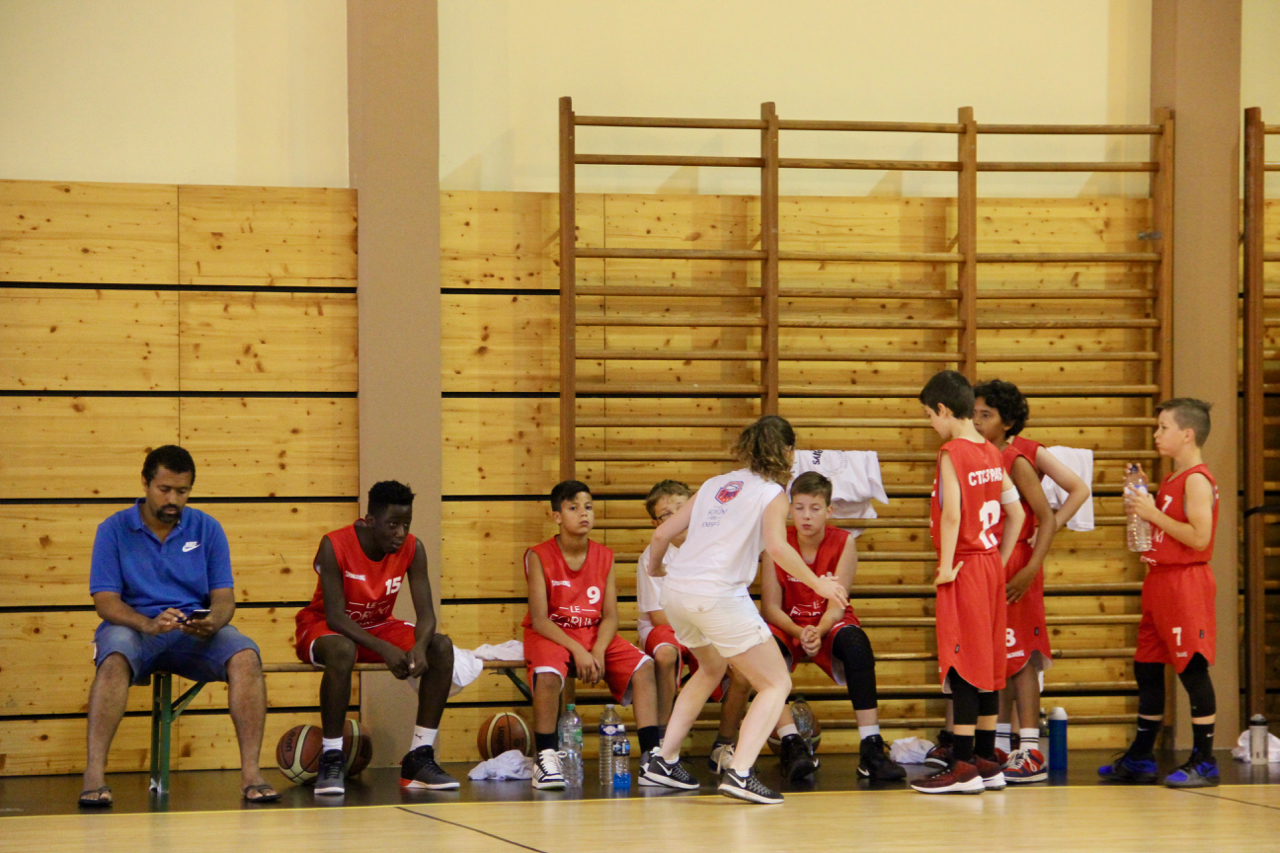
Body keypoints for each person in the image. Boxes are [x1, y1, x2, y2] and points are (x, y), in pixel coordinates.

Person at [644, 416, 849, 804]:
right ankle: (739, 772)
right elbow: (778, 547)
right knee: (776, 683)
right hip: (717, 595)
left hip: (677, 592)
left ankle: (663, 760)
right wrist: (818, 583)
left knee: (710, 668)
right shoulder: (772, 493)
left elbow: (661, 534)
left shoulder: (714, 484)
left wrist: (655, 568)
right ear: (786, 451)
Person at [81, 445, 278, 807]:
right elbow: (105, 602)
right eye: (165, 489)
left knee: (246, 655)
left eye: (182, 491)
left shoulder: (208, 528)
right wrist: (147, 623)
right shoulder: (113, 529)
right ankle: (94, 775)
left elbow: (224, 598)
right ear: (145, 483)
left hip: (191, 631)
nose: (173, 499)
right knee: (114, 656)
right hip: (136, 628)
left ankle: (251, 774)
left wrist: (214, 620)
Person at [294, 480, 457, 795]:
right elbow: (335, 617)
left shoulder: (414, 548)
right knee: (343, 650)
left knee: (441, 647)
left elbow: (426, 616)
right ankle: (331, 756)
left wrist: (420, 646)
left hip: (377, 625)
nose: (401, 533)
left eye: (406, 524)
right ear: (370, 521)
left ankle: (419, 757)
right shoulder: (334, 544)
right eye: (393, 524)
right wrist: (384, 649)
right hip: (324, 627)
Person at [912, 371, 1024, 795]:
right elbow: (1016, 512)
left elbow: (953, 514)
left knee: (962, 664)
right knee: (989, 665)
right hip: (990, 566)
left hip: (963, 567)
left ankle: (961, 765)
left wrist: (945, 567)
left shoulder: (952, 452)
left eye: (929, 415)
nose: (931, 424)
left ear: (943, 409)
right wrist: (998, 560)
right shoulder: (992, 450)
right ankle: (985, 759)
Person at [1099, 398, 1221, 788]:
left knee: (1192, 669)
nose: (1156, 434)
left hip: (1186, 583)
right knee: (1147, 667)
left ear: (1187, 434)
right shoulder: (1171, 478)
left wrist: (1152, 513)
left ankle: (1205, 760)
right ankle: (1140, 756)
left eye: (1164, 427)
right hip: (1160, 581)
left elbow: (1200, 538)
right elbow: (1162, 530)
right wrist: (1139, 504)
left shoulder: (1197, 480)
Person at [973, 379, 1090, 783]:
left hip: (1018, 561)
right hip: (991, 562)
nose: (977, 421)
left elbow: (1050, 513)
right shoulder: (978, 456)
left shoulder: (1017, 458)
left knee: (1021, 656)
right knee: (1000, 655)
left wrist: (1032, 562)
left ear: (1006, 422)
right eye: (974, 413)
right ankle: (1001, 742)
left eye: (985, 414)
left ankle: (1030, 748)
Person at [760, 472, 906, 783]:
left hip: (829, 619)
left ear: (828, 510)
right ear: (789, 509)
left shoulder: (844, 542)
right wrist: (800, 633)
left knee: (857, 646)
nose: (806, 516)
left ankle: (870, 747)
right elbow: (770, 608)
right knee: (761, 650)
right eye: (799, 507)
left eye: (814, 508)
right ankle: (791, 744)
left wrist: (818, 630)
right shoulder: (776, 544)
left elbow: (837, 605)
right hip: (789, 623)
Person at [524, 480, 660, 790]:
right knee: (547, 676)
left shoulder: (604, 555)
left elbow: (610, 616)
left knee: (645, 668)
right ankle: (545, 757)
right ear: (557, 516)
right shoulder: (538, 555)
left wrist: (597, 650)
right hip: (552, 634)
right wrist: (578, 651)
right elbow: (540, 619)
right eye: (573, 508)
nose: (583, 513)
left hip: (592, 633)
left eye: (588, 507)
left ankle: (652, 758)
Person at [636, 479, 750, 768]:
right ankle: (662, 743)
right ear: (655, 523)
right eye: (666, 514)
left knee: (744, 669)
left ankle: (723, 745)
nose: (677, 518)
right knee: (666, 653)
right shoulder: (652, 556)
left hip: (704, 625)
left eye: (682, 509)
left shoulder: (715, 549)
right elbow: (659, 617)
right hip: (666, 627)